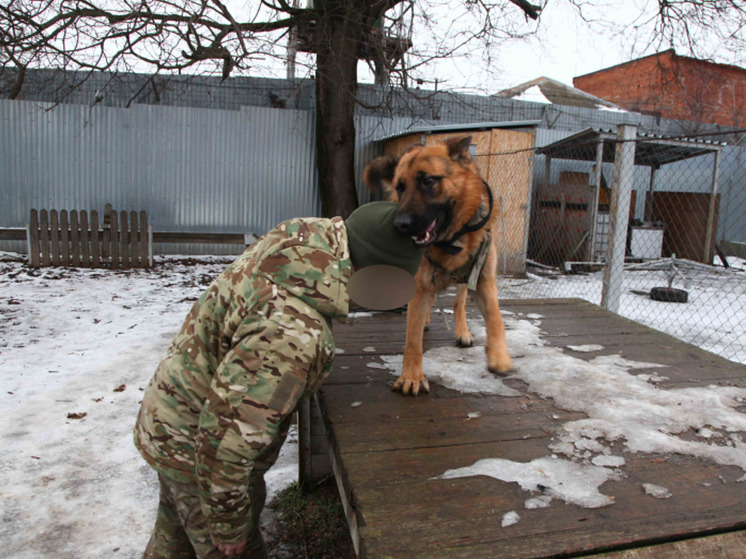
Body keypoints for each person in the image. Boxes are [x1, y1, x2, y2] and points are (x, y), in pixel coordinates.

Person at [134, 201, 424, 558]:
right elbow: (227, 440)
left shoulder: (303, 241)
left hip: (173, 415)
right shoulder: (291, 333)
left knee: (172, 544)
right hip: (199, 454)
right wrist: (229, 526)